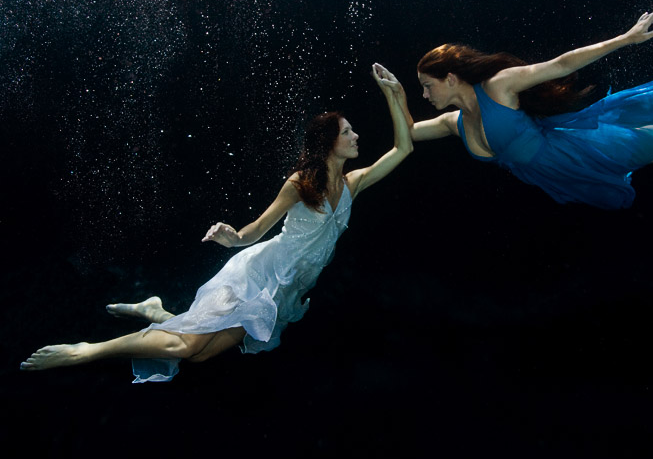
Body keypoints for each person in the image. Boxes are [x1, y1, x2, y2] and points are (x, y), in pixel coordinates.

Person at [20, 64, 412, 382]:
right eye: (348, 132)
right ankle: (85, 351)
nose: (357, 136)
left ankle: (156, 311)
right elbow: (255, 232)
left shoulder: (353, 184)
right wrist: (231, 237)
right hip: (257, 278)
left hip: (283, 292)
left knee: (202, 355)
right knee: (188, 348)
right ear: (329, 143)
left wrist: (395, 94)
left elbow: (403, 147)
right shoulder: (299, 185)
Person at [384, 3, 653, 209]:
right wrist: (395, 97)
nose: (425, 96)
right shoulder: (453, 123)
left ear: (451, 78)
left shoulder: (497, 87)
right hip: (554, 175)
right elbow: (409, 133)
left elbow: (561, 64)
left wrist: (625, 38)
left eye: (427, 86)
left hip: (574, 152)